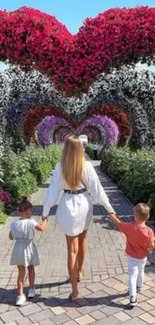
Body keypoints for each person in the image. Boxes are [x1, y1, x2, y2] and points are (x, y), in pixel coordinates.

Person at [42, 135, 115, 301]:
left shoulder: (60, 167)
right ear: (79, 148)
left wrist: (45, 214)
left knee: (71, 249)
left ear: (66, 149)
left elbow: (52, 194)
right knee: (83, 240)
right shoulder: (86, 166)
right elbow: (97, 190)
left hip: (67, 204)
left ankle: (74, 290)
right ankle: (80, 271)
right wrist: (110, 210)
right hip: (84, 203)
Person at [109, 203, 154, 307]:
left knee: (132, 276)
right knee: (141, 271)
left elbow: (119, 224)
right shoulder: (149, 231)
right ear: (147, 217)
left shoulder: (130, 227)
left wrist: (112, 216)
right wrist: (149, 251)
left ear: (135, 216)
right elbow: (151, 244)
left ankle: (133, 297)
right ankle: (139, 287)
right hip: (143, 256)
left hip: (132, 257)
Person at [9, 197, 47, 306]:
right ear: (26, 212)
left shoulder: (13, 224)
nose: (31, 213)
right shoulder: (31, 222)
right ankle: (31, 289)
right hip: (29, 247)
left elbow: (11, 237)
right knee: (31, 269)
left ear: (19, 212)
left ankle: (20, 296)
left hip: (18, 249)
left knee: (21, 273)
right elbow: (41, 228)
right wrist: (45, 220)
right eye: (30, 211)